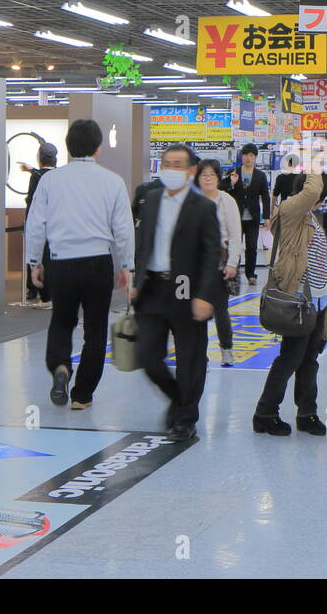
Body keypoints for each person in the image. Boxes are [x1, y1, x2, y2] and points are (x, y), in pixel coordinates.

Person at [25, 120, 135, 411]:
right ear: (98, 148)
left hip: (61, 263)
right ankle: (82, 395)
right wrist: (127, 266)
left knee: (62, 321)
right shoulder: (112, 181)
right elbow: (123, 229)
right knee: (96, 331)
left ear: (68, 147)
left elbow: (36, 224)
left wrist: (34, 262)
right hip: (98, 262)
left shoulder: (51, 180)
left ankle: (60, 366)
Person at [131, 143, 222, 442]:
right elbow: (143, 243)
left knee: (190, 359)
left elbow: (211, 255)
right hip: (153, 287)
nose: (171, 169)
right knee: (147, 355)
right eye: (166, 163)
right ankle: (178, 399)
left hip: (186, 287)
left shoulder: (204, 208)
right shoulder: (151, 199)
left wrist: (205, 295)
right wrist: (136, 279)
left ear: (190, 170)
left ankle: (185, 418)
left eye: (178, 164)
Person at [253, 158, 327, 437]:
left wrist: (325, 278)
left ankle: (307, 413)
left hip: (317, 300)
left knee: (309, 360)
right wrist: (315, 161)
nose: (321, 200)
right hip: (298, 302)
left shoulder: (310, 217)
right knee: (289, 359)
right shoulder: (290, 212)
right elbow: (311, 192)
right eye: (321, 195)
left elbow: (311, 256)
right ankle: (265, 413)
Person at [196, 158, 243, 367]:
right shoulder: (192, 200)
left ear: (218, 178)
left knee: (220, 309)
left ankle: (226, 349)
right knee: (196, 310)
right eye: (204, 175)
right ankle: (199, 353)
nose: (208, 179)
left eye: (212, 175)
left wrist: (232, 263)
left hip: (220, 262)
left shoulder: (226, 201)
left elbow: (234, 235)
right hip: (196, 262)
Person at [223, 143, 270, 286]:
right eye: (245, 155)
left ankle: (251, 274)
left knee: (252, 247)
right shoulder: (234, 172)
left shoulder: (260, 176)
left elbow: (266, 197)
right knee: (234, 246)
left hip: (253, 217)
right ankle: (233, 274)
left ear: (255, 157)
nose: (248, 158)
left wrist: (267, 217)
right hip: (235, 217)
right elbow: (224, 191)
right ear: (241, 156)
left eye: (251, 155)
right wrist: (231, 183)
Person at [23, 143, 58, 304]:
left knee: (35, 254)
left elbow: (32, 202)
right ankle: (49, 291)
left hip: (38, 223)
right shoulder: (58, 176)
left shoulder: (36, 177)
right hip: (56, 225)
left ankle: (33, 289)